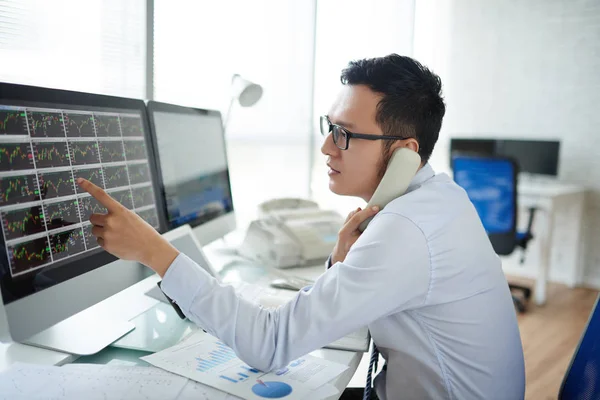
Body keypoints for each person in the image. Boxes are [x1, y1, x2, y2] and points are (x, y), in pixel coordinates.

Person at [77, 54, 525, 400]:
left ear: (406, 151)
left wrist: (154, 251)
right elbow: (343, 316)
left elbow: (270, 345)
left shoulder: (406, 227)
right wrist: (339, 263)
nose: (328, 146)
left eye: (345, 133)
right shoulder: (437, 198)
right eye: (330, 127)